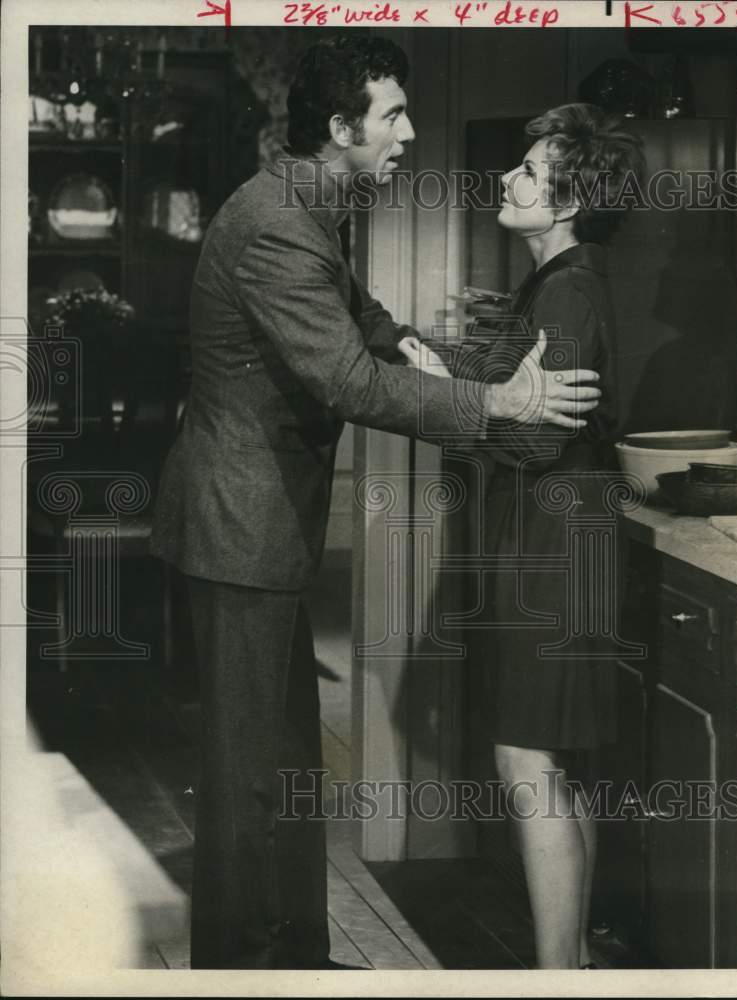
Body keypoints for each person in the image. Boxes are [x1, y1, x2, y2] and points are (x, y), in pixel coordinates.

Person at [150, 37, 601, 971]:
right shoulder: (275, 221)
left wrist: (422, 349)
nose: (407, 133)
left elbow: (362, 322)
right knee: (247, 785)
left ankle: (298, 965)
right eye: (392, 116)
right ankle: (244, 976)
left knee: (286, 770)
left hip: (262, 528)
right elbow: (350, 381)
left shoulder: (313, 204)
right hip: (236, 526)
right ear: (339, 126)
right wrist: (496, 400)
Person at [401, 103, 645, 969]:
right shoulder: (558, 283)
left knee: (526, 761)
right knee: (557, 765)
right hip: (555, 538)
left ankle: (552, 976)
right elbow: (522, 393)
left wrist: (443, 398)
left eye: (530, 174)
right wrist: (444, 364)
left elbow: (538, 435)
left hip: (549, 546)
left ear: (568, 200)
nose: (508, 179)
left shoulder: (569, 288)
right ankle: (571, 965)